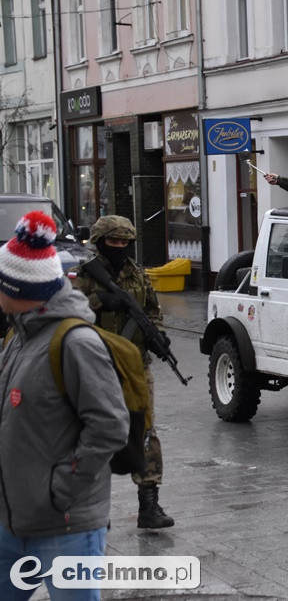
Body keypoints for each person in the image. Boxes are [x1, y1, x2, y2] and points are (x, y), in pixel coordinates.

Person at [0, 211, 128, 601]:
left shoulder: (76, 343)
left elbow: (110, 426)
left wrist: (59, 490)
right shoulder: (18, 337)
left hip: (65, 529)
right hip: (10, 524)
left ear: (19, 289)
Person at [70, 216, 174, 529]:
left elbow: (153, 311)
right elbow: (66, 312)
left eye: (125, 242)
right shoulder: (83, 275)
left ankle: (149, 505)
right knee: (90, 434)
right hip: (94, 367)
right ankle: (91, 509)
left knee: (145, 433)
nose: (119, 247)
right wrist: (98, 301)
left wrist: (158, 335)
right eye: (113, 242)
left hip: (135, 367)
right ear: (99, 242)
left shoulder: (138, 274)